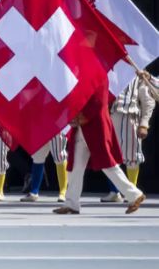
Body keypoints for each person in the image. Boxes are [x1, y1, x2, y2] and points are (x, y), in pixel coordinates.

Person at [54, 84, 145, 215]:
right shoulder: (81, 75)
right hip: (81, 128)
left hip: (96, 127)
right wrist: (72, 115)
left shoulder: (100, 74)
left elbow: (100, 100)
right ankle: (71, 203)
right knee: (75, 167)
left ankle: (135, 195)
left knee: (108, 164)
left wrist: (83, 116)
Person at [102, 75, 155, 202]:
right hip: (111, 116)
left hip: (131, 118)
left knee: (132, 156)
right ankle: (114, 191)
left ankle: (132, 192)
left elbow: (148, 102)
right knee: (110, 157)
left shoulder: (138, 77)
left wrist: (144, 124)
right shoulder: (112, 73)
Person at [23, 132, 69, 202]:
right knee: (37, 156)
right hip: (41, 125)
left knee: (59, 155)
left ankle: (63, 192)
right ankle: (34, 192)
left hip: (56, 125)